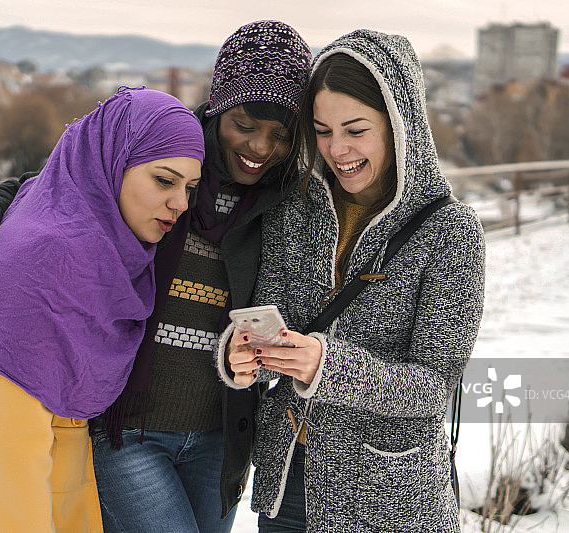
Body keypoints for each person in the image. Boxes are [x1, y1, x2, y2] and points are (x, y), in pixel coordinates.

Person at [0, 20, 311, 532]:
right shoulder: (163, 151)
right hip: (127, 428)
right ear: (220, 106)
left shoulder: (284, 202)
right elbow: (59, 182)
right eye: (245, 123)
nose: (260, 147)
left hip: (219, 433)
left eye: (280, 134)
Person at [0, 88, 204, 532]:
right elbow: (15, 455)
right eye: (164, 180)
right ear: (110, 163)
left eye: (190, 187)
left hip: (33, 490)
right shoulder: (49, 260)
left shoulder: (89, 236)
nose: (180, 203)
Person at [221, 30, 486, 531]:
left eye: (355, 129)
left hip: (389, 498)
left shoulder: (451, 233)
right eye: (322, 130)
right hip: (288, 487)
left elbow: (434, 386)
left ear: (398, 124)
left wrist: (329, 365)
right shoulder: (296, 210)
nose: (337, 149)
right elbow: (271, 321)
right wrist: (243, 358)